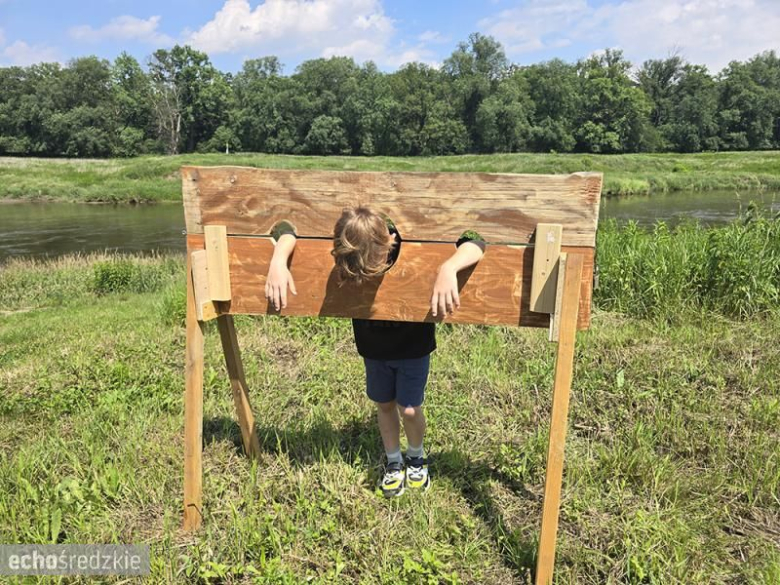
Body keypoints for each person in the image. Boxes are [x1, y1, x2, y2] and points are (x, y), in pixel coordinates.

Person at [265, 208, 484, 497]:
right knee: (383, 405)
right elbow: (288, 230)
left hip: (413, 348)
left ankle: (416, 457)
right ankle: (394, 462)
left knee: (408, 408)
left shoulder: (394, 247)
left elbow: (476, 241)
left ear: (391, 241)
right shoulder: (348, 259)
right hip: (373, 349)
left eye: (374, 264)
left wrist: (448, 268)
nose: (369, 273)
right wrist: (279, 261)